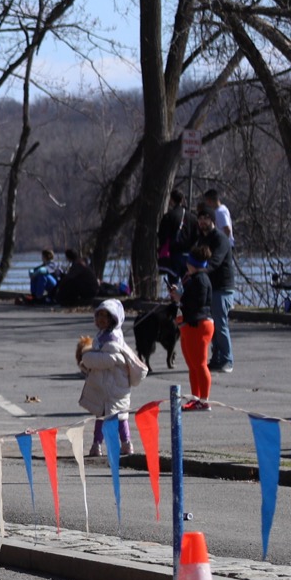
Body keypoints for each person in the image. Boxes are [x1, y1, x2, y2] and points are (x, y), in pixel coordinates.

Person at [77, 299, 147, 456]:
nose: (101, 319)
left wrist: (87, 358)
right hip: (106, 386)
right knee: (101, 416)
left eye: (105, 316)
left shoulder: (113, 339)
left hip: (115, 386)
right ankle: (97, 444)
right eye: (99, 315)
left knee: (120, 416)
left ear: (113, 319)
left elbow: (108, 360)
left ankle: (126, 443)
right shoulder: (102, 336)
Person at [191, 207, 235, 372]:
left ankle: (227, 360)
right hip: (210, 287)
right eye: (200, 219)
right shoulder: (202, 239)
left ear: (212, 220)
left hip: (222, 287)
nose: (202, 222)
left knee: (220, 324)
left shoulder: (220, 238)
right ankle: (216, 358)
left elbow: (215, 261)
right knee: (212, 326)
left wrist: (200, 270)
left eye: (206, 218)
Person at [173, 244, 216, 402]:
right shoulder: (193, 279)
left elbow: (198, 303)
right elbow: (189, 300)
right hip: (188, 325)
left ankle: (204, 400)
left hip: (199, 325)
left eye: (188, 263)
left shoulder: (201, 280)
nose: (186, 265)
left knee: (200, 364)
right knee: (192, 365)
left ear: (193, 264)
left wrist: (181, 298)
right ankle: (196, 397)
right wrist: (179, 295)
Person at [157, 190, 188, 281]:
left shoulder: (168, 216)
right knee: (187, 281)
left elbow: (162, 236)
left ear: (171, 200)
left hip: (172, 254)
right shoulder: (191, 217)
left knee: (173, 282)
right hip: (187, 255)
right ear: (182, 200)